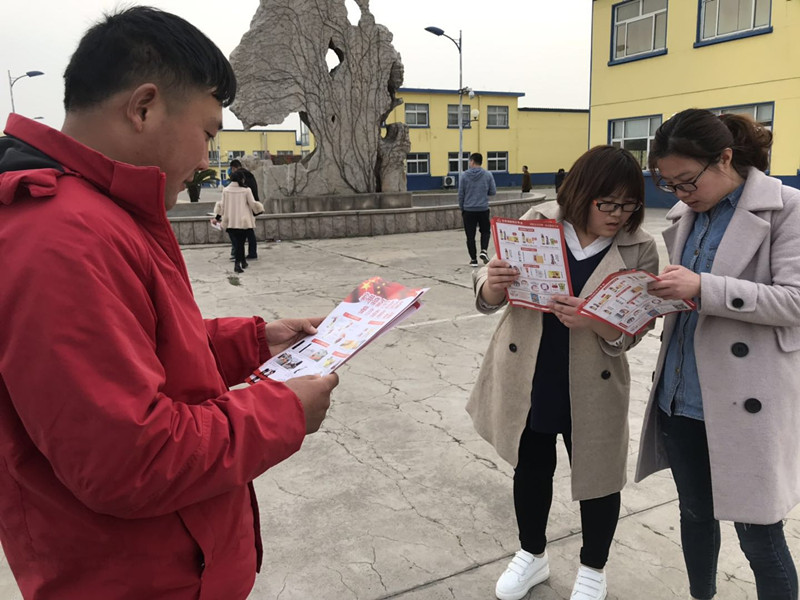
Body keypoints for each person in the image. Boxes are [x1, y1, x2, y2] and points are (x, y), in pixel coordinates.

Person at [0, 7, 338, 599]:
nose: (207, 159)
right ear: (144, 107)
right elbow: (130, 459)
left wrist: (254, 341)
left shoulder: (102, 211)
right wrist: (284, 412)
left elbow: (139, 347)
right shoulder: (59, 236)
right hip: (138, 579)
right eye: (207, 133)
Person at [468, 146, 658, 600]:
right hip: (529, 369)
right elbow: (489, 286)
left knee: (598, 477)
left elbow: (638, 325)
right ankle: (531, 554)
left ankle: (593, 567)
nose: (617, 215)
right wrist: (491, 284)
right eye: (607, 204)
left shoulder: (640, 247)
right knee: (531, 467)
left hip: (594, 379)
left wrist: (594, 320)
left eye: (629, 205)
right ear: (581, 193)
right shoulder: (534, 223)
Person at [636, 108, 800, 600]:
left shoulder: (786, 208)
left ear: (724, 157)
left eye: (688, 180)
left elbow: (795, 301)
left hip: (745, 400)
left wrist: (704, 287)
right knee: (694, 515)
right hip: (680, 392)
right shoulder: (686, 215)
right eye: (669, 184)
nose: (681, 193)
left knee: (759, 534)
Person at [215, 169, 264, 273]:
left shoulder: (225, 190)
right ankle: (237, 264)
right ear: (242, 179)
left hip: (230, 221)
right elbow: (252, 204)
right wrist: (259, 210)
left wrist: (217, 218)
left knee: (237, 243)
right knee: (240, 243)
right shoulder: (246, 190)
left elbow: (222, 206)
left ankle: (243, 262)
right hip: (243, 221)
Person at [458, 152, 497, 267]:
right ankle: (484, 250)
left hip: (468, 210)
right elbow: (493, 192)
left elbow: (461, 194)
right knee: (485, 231)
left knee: (470, 235)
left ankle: (473, 259)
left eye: (469, 161)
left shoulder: (464, 176)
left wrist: (462, 208)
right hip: (483, 208)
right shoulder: (488, 175)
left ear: (472, 161)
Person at [229, 158, 260, 259]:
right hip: (250, 207)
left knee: (235, 231)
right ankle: (252, 252)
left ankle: (236, 252)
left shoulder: (238, 176)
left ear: (233, 168)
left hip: (240, 208)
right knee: (249, 231)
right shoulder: (250, 175)